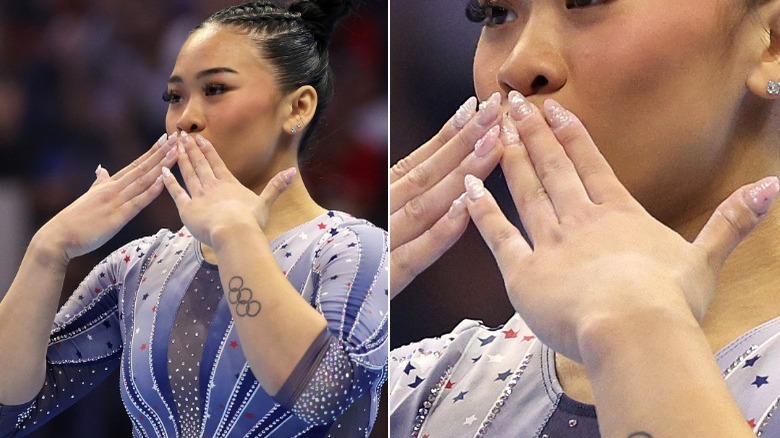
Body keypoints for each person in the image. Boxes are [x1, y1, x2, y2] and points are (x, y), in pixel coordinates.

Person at [389, 0, 780, 436]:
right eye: (496, 14)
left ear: (773, 43)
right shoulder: (418, 391)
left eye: (587, 2)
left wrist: (636, 333)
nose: (517, 67)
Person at [0, 1, 388, 436]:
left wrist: (235, 235)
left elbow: (322, 396)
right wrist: (47, 250)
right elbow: (10, 411)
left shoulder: (354, 249)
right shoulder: (140, 268)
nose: (185, 119)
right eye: (174, 97)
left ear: (297, 107)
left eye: (216, 89)